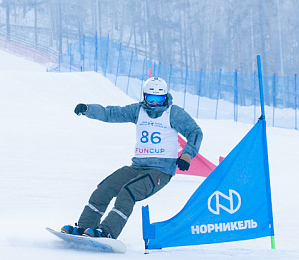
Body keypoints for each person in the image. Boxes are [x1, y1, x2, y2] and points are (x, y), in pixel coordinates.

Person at [62, 77, 203, 240]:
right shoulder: (138, 110)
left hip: (160, 171)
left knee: (128, 193)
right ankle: (85, 226)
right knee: (104, 188)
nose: (155, 104)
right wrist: (88, 109)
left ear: (165, 97)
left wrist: (187, 155)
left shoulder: (174, 113)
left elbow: (195, 132)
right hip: (137, 167)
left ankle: (107, 231)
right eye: (151, 98)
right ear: (144, 97)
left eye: (159, 99)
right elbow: (112, 113)